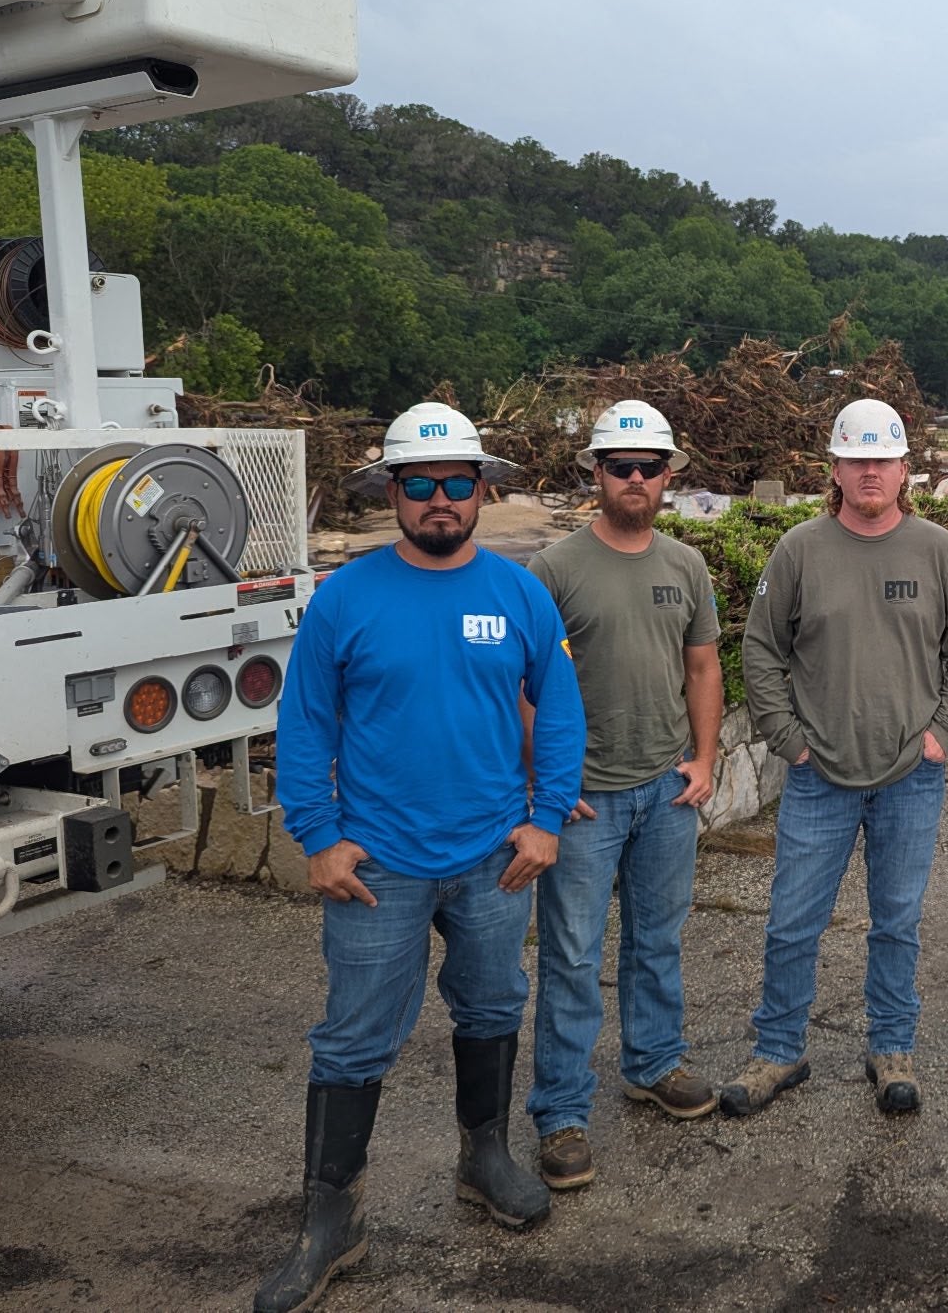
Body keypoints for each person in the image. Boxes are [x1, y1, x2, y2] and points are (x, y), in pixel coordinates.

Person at [256, 402, 586, 1313]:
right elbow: (304, 723)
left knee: (493, 1004)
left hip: (493, 858)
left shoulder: (520, 593)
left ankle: (485, 1158)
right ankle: (332, 1222)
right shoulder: (345, 597)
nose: (440, 499)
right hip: (378, 867)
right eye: (420, 484)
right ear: (392, 493)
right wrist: (318, 837)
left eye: (456, 484)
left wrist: (546, 819)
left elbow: (559, 711)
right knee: (354, 1035)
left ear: (482, 492)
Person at [722, 398, 948, 1118]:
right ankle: (779, 1050)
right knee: (791, 922)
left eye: (883, 459)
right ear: (835, 470)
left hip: (911, 774)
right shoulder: (799, 550)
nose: (870, 471)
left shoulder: (937, 550)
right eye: (856, 459)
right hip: (820, 776)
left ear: (905, 470)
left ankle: (892, 1047)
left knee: (897, 921)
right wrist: (788, 739)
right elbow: (761, 648)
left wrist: (942, 732)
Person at [524, 400, 724, 1192]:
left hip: (664, 789)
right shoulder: (554, 570)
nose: (635, 479)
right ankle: (561, 1113)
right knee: (572, 956)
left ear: (668, 476)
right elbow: (524, 685)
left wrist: (703, 760)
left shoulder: (686, 566)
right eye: (620, 467)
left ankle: (653, 1064)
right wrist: (547, 779)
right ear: (596, 475)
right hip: (585, 801)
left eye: (649, 468)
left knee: (657, 939)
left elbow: (702, 667)